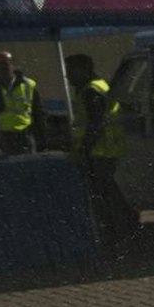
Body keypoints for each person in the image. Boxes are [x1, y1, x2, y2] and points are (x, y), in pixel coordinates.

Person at [64, 52, 136, 247]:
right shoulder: (102, 86)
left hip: (100, 152)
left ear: (83, 69)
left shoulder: (91, 91)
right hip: (108, 150)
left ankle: (118, 237)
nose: (68, 77)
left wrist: (83, 150)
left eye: (71, 71)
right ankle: (123, 234)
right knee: (113, 196)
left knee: (107, 198)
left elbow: (95, 125)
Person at [0, 51, 42, 155]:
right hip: (4, 135)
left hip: (25, 133)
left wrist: (40, 135)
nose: (2, 68)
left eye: (5, 64)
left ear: (13, 65)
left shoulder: (28, 85)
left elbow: (38, 111)